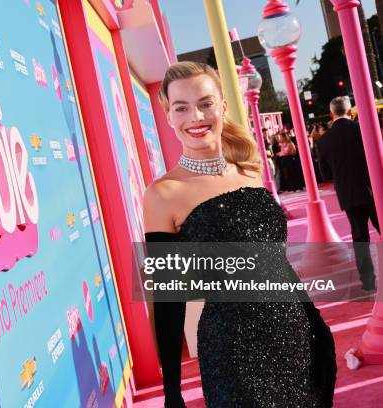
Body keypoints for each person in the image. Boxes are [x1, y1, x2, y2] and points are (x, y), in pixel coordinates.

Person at [143, 62, 336, 407]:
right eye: (181, 107)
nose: (195, 117)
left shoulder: (249, 172)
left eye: (205, 103)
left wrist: (315, 322)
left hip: (292, 335)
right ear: (168, 116)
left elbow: (275, 263)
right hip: (233, 351)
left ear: (222, 106)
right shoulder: (164, 194)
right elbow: (168, 301)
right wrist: (172, 391)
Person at [316, 96, 380, 292]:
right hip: (374, 188)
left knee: (359, 238)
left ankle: (368, 282)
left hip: (348, 193)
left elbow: (325, 174)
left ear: (331, 114)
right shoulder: (363, 128)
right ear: (350, 111)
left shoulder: (324, 141)